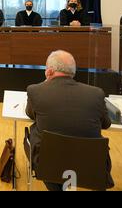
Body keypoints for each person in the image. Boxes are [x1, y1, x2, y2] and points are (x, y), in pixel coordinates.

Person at [24, 50, 114, 191]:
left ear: (49, 71)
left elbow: (30, 114)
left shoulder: (35, 91)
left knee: (34, 130)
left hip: (48, 162)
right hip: (90, 164)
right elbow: (106, 124)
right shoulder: (96, 94)